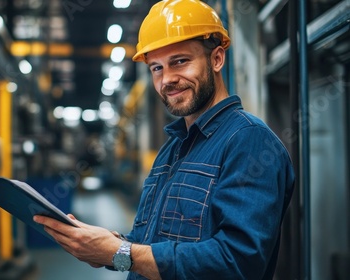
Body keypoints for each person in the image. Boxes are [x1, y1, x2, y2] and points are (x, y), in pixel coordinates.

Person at [34, 0, 295, 279]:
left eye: (180, 61)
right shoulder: (173, 147)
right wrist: (105, 244)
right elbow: (151, 241)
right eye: (157, 68)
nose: (167, 79)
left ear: (217, 59)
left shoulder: (248, 141)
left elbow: (237, 262)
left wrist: (120, 252)